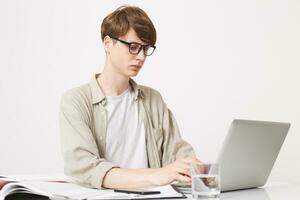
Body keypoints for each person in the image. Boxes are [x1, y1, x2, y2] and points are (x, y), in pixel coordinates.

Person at [59, 5, 200, 190]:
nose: (141, 56)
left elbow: (178, 153)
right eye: (133, 47)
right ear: (108, 43)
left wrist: (200, 169)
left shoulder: (153, 99)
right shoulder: (76, 101)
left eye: (145, 48)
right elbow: (85, 168)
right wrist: (157, 175)